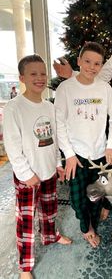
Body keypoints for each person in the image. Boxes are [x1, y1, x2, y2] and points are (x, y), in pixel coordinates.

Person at [3, 54, 72, 279]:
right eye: (33, 74)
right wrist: (25, 174)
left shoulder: (49, 106)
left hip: (49, 170)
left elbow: (53, 140)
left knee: (49, 210)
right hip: (27, 177)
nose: (40, 78)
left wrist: (59, 164)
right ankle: (25, 266)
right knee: (26, 221)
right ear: (22, 78)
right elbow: (12, 145)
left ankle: (50, 235)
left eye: (43, 73)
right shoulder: (15, 107)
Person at [54, 41, 112, 248]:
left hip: (100, 156)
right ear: (79, 61)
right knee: (76, 199)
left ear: (101, 66)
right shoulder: (66, 88)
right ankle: (86, 227)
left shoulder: (105, 88)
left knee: (95, 196)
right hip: (77, 156)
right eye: (88, 61)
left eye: (97, 63)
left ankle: (91, 228)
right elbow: (59, 123)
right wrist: (69, 154)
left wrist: (110, 146)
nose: (92, 67)